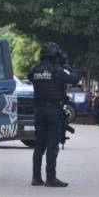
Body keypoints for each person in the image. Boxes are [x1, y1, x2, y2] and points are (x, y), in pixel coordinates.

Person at [27, 42, 79, 188]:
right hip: (53, 111)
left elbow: (30, 76)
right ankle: (51, 178)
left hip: (39, 111)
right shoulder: (57, 71)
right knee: (52, 145)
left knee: (39, 146)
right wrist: (67, 66)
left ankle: (36, 178)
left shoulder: (35, 70)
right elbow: (75, 78)